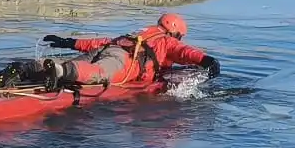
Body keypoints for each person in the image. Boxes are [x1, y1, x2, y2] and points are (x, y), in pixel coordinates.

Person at [33, 12, 220, 90]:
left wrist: (69, 42)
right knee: (99, 73)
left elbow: (101, 42)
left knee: (73, 64)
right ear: (174, 32)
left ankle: (31, 68)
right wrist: (208, 61)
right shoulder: (166, 41)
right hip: (123, 60)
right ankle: (60, 71)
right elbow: (185, 52)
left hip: (106, 49)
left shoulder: (140, 34)